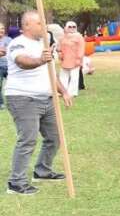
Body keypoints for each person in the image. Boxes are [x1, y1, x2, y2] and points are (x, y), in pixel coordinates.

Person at [5, 10, 74, 196]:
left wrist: (64, 91)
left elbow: (49, 71)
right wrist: (39, 60)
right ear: (27, 25)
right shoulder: (18, 43)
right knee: (27, 140)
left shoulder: (43, 43)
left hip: (47, 98)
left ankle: (42, 171)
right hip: (23, 98)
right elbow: (22, 61)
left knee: (54, 137)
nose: (43, 26)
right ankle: (16, 183)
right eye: (39, 23)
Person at [58, 21, 85, 97]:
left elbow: (81, 48)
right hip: (65, 60)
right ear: (65, 28)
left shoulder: (79, 37)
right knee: (63, 76)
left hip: (75, 60)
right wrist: (60, 54)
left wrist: (79, 58)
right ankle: (62, 91)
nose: (72, 28)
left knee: (74, 76)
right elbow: (59, 47)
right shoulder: (63, 37)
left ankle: (72, 93)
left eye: (74, 27)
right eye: (70, 27)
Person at [1, 23, 12, 110]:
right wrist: (4, 50)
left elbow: (10, 51)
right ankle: (1, 104)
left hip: (9, 66)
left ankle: (12, 103)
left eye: (2, 28)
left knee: (12, 85)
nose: (1, 30)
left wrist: (3, 51)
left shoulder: (9, 39)